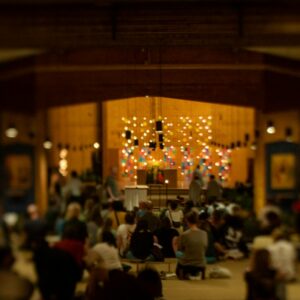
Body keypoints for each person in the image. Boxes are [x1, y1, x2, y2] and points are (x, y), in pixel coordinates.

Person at [174, 211, 208, 280]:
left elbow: (180, 248)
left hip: (187, 263)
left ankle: (185, 274)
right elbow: (205, 247)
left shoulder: (185, 234)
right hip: (201, 262)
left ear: (187, 221)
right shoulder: (204, 233)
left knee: (180, 256)